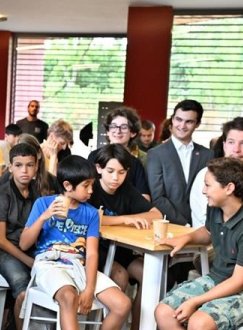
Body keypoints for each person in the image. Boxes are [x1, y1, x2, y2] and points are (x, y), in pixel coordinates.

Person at [155, 157, 243, 330]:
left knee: (199, 322)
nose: (203, 191)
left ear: (229, 188)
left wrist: (196, 301)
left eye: (208, 185)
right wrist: (185, 238)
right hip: (218, 279)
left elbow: (239, 282)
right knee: (164, 311)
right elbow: (207, 233)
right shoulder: (215, 207)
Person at [19, 155, 131, 330]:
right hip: (49, 264)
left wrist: (89, 288)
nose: (91, 190)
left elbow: (92, 253)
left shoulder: (91, 213)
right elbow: (24, 244)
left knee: (122, 304)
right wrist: (44, 216)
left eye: (91, 185)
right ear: (67, 186)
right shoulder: (43, 204)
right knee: (69, 297)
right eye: (86, 185)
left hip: (79, 267)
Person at [89, 143, 163, 330]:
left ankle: (137, 327)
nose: (116, 178)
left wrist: (129, 219)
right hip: (95, 250)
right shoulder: (90, 188)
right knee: (119, 276)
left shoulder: (126, 189)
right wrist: (125, 220)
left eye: (121, 172)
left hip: (120, 249)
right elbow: (92, 219)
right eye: (110, 171)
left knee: (149, 274)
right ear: (99, 168)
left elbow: (156, 214)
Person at [0, 143, 39, 330]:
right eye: (18, 165)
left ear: (36, 167)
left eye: (29, 165)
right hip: (2, 251)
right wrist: (30, 261)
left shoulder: (36, 193)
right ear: (10, 167)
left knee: (50, 280)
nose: (24, 170)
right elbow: (0, 240)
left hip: (28, 247)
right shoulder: (2, 195)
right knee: (23, 290)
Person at [148, 100, 213, 226]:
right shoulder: (155, 154)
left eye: (189, 122)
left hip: (203, 225)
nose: (182, 125)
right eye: (178, 119)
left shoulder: (208, 155)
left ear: (197, 124)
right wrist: (185, 224)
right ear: (172, 120)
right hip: (170, 225)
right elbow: (158, 198)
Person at [88, 107, 151, 201]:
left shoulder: (136, 162)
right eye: (113, 126)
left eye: (124, 127)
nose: (118, 131)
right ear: (107, 131)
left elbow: (145, 199)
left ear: (133, 133)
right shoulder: (94, 156)